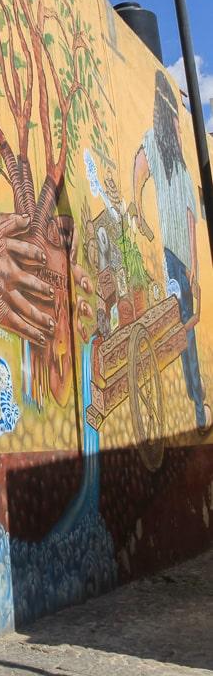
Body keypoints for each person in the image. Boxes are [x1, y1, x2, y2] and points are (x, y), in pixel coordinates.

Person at [133, 71, 212, 433]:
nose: (181, 129)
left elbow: (191, 220)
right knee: (179, 330)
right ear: (168, 117)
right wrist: (134, 203)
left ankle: (196, 404)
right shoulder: (159, 148)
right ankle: (194, 406)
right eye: (177, 120)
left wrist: (195, 270)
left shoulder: (180, 167)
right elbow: (139, 164)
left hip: (178, 260)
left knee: (185, 330)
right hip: (169, 258)